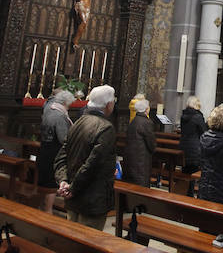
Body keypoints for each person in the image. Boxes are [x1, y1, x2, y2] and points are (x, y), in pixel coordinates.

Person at [55, 84, 116, 230]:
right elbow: (92, 165)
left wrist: (63, 181)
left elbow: (61, 157)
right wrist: (73, 188)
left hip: (74, 198)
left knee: (72, 238)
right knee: (87, 243)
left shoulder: (78, 122)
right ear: (108, 104)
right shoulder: (105, 127)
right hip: (92, 198)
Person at [37, 89, 74, 212]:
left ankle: (43, 207)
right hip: (54, 152)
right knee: (51, 184)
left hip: (45, 149)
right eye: (68, 104)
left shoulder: (50, 109)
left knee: (45, 181)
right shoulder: (59, 115)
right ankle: (48, 212)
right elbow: (63, 137)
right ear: (65, 102)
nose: (69, 107)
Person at [123, 96, 156, 188]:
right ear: (146, 109)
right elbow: (151, 142)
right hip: (141, 157)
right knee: (141, 184)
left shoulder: (133, 120)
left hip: (132, 156)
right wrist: (153, 149)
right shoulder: (146, 122)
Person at [179, 95, 206, 175]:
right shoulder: (198, 117)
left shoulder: (183, 116)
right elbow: (203, 131)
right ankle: (190, 187)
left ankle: (183, 186)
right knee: (194, 172)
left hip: (184, 145)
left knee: (185, 169)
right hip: (194, 147)